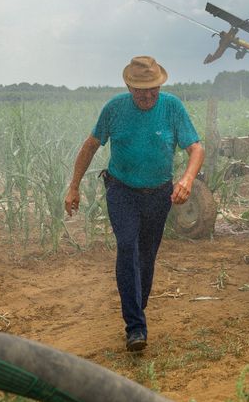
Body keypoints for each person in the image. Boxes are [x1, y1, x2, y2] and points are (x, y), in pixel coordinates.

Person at [64, 56, 205, 352]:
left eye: (153, 89)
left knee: (146, 256)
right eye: (141, 90)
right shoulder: (114, 109)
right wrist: (74, 186)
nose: (148, 95)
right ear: (128, 86)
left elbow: (195, 148)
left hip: (159, 194)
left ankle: (136, 307)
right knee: (127, 246)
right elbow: (90, 145)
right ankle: (136, 326)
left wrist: (187, 180)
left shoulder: (172, 107)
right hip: (121, 190)